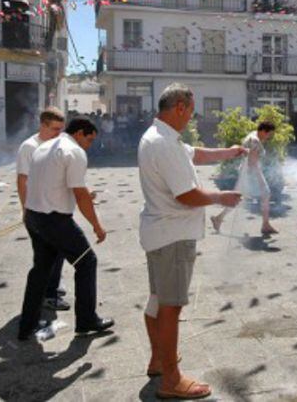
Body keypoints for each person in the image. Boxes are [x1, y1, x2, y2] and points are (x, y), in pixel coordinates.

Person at [138, 83, 245, 400]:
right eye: (191, 111)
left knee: (157, 300)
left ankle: (159, 359)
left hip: (159, 232)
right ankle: (171, 379)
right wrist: (220, 197)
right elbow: (186, 194)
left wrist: (229, 151)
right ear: (180, 107)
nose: (192, 118)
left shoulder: (158, 137)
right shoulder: (165, 144)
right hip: (173, 235)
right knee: (171, 307)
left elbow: (196, 154)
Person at [18, 117, 114, 340]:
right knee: (87, 261)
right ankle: (86, 320)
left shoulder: (45, 147)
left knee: (41, 269)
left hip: (34, 215)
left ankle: (27, 324)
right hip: (54, 220)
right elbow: (80, 194)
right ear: (80, 133)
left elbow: (57, 184)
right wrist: (97, 226)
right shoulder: (74, 151)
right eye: (89, 139)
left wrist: (82, 195)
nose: (89, 145)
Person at [16, 107, 69, 311]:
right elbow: (23, 180)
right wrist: (26, 210)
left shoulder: (56, 144)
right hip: (39, 211)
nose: (58, 134)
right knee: (47, 255)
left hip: (56, 209)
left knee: (57, 252)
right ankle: (48, 295)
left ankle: (51, 286)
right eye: (55, 129)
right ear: (42, 125)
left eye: (61, 129)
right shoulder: (29, 147)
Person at [211, 121, 278, 236]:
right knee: (264, 193)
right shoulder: (255, 141)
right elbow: (253, 162)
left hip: (245, 173)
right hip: (250, 174)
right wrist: (261, 180)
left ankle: (219, 218)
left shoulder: (253, 135)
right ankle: (265, 225)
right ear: (263, 131)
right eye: (269, 134)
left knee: (239, 198)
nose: (269, 137)